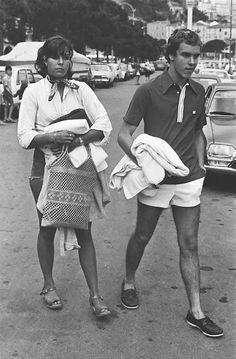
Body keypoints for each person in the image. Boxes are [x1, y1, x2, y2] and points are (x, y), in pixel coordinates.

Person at [117, 28, 223, 338]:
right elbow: (124, 135)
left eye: (196, 56)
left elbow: (197, 131)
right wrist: (143, 166)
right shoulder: (147, 92)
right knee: (143, 235)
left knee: (189, 243)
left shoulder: (199, 90)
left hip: (189, 179)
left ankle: (196, 311)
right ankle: (128, 281)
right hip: (156, 180)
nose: (192, 62)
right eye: (186, 55)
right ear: (170, 56)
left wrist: (201, 165)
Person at [17, 35, 112, 318]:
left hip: (78, 166)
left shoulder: (80, 89)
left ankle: (95, 295)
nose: (62, 61)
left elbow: (104, 124)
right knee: (47, 226)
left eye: (66, 56)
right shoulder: (33, 92)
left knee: (84, 228)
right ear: (43, 61)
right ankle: (48, 285)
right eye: (56, 56)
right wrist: (51, 135)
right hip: (44, 169)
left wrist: (80, 140)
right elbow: (23, 136)